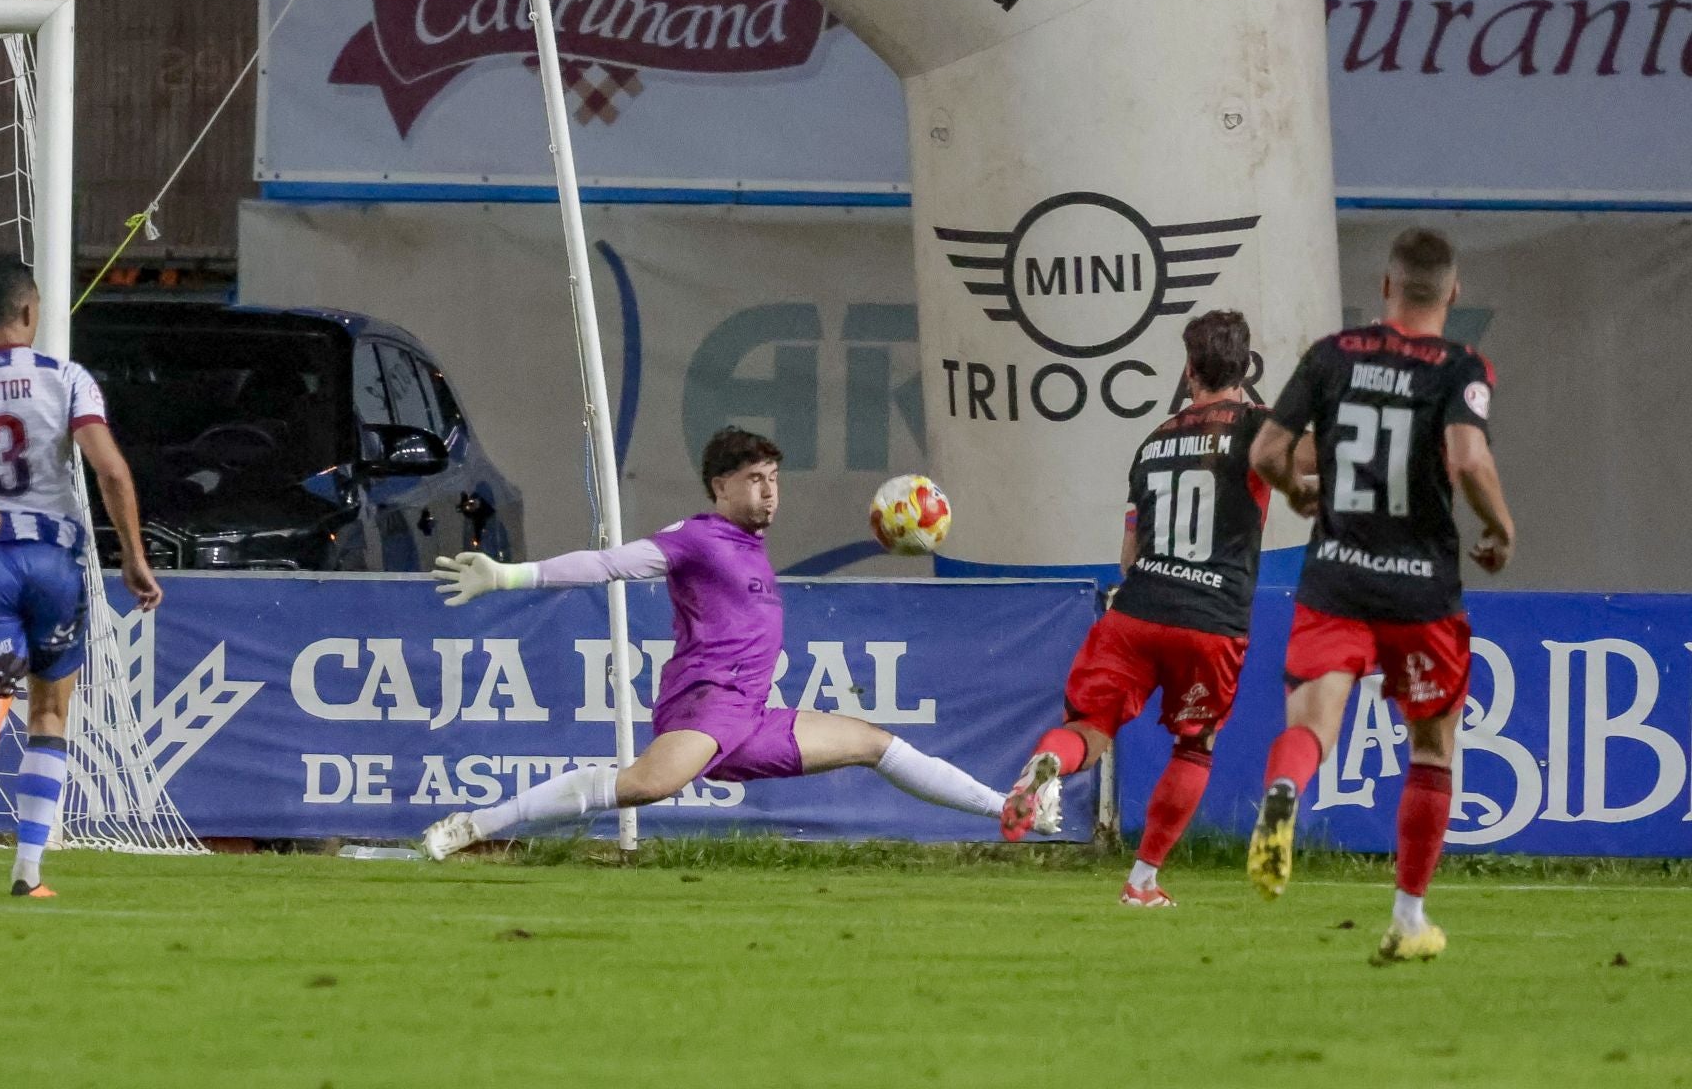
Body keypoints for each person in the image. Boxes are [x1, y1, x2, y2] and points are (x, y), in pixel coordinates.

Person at [420, 425, 1043, 858]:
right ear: (719, 487)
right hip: (707, 702)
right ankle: (475, 824)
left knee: (874, 743)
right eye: (753, 479)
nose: (769, 491)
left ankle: (1009, 809)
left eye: (774, 477)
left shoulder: (751, 549)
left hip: (749, 712)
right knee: (643, 785)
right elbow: (612, 563)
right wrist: (509, 576)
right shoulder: (698, 537)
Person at [1247, 227, 1514, 964]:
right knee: (1432, 746)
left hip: (1337, 577)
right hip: (1423, 594)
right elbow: (1466, 456)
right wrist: (1501, 526)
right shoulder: (1462, 366)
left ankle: (1285, 796)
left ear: (1386, 288)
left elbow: (1266, 452)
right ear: (1453, 295)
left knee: (1313, 726)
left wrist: (1295, 494)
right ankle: (1407, 917)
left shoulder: (1332, 356)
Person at [1001, 311, 1286, 906]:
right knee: (1194, 744)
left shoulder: (1155, 440)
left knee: (1090, 728)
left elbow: (1129, 556)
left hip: (1136, 611)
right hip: (1212, 621)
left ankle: (1048, 764)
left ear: (1189, 370)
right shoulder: (1262, 430)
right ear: (1246, 367)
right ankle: (1142, 882)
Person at [0, 256, 164, 897]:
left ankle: (0, 672)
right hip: (54, 561)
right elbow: (111, 471)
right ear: (29, 312)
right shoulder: (68, 379)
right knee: (51, 713)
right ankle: (28, 871)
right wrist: (131, 554)